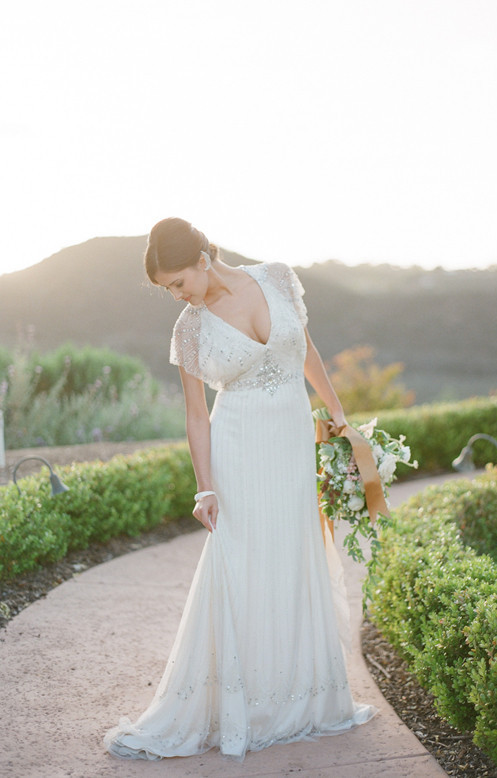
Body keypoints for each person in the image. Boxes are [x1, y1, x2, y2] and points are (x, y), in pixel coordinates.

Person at [104, 217, 377, 761]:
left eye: (178, 281)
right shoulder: (189, 328)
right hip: (238, 448)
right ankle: (245, 704)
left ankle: (304, 698)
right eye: (168, 289)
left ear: (203, 259)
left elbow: (307, 351)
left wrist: (339, 415)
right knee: (242, 563)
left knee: (293, 557)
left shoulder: (277, 278)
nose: (177, 295)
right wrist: (205, 489)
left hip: (291, 443)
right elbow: (196, 415)